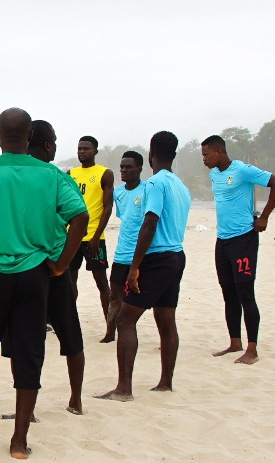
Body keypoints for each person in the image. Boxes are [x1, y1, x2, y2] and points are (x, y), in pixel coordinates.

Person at [0, 108, 88, 460]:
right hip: (34, 275)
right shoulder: (51, 175)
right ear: (29, 138)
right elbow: (80, 217)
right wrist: (62, 264)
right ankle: (18, 442)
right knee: (29, 354)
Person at [98, 131, 190, 401]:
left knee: (126, 320)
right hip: (176, 256)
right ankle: (165, 382)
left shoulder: (155, 184)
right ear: (173, 154)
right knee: (166, 320)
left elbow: (150, 223)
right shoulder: (180, 185)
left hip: (157, 258)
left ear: (150, 155)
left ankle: (123, 389)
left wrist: (135, 266)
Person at [201, 134, 275, 365]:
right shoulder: (213, 175)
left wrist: (264, 217)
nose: (204, 160)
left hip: (243, 240)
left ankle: (252, 348)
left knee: (245, 292)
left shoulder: (243, 170)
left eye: (206, 154)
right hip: (222, 240)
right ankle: (235, 342)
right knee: (228, 293)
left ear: (219, 152)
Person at [101, 151, 147, 344]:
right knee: (115, 295)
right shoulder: (118, 193)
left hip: (142, 254)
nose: (124, 170)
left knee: (146, 297)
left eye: (128, 167)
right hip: (121, 254)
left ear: (139, 169)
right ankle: (110, 332)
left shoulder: (147, 190)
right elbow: (124, 218)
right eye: (122, 167)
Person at [68, 136, 114, 325]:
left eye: (86, 149)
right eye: (79, 148)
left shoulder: (104, 173)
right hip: (72, 237)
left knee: (102, 282)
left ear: (95, 151)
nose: (82, 152)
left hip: (94, 237)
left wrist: (96, 236)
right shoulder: (71, 173)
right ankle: (68, 321)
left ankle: (110, 325)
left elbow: (108, 208)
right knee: (70, 282)